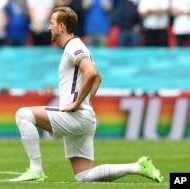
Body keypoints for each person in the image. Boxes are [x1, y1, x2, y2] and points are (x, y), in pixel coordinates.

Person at [9, 7, 164, 183]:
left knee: (23, 114)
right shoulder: (77, 46)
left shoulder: (72, 46)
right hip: (83, 117)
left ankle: (36, 170)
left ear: (61, 27)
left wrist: (77, 103)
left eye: (51, 23)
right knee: (83, 176)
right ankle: (138, 167)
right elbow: (97, 77)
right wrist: (84, 103)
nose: (48, 27)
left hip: (76, 116)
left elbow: (91, 73)